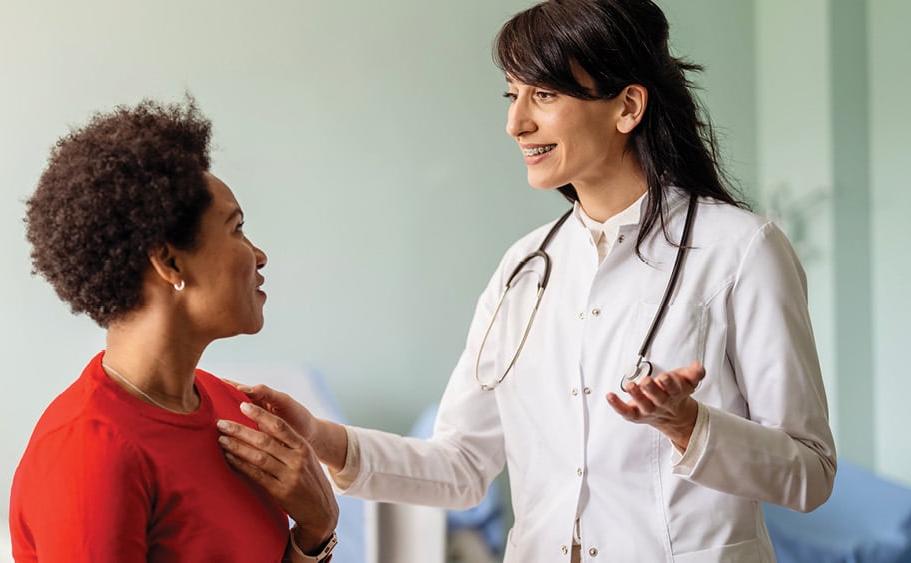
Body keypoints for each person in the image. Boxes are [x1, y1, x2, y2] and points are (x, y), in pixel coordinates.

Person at [218, 0, 837, 561]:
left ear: (628, 106)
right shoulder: (524, 269)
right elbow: (461, 465)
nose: (516, 124)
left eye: (543, 95)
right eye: (512, 95)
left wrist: (689, 426)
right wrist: (319, 436)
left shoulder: (741, 250)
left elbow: (810, 473)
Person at [10, 97, 339, 562]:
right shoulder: (90, 452)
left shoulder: (232, 410)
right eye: (237, 228)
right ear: (168, 261)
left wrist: (316, 531)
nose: (259, 255)